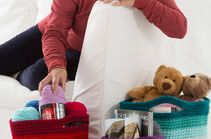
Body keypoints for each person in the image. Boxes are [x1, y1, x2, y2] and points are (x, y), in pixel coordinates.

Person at [0, 0, 187, 94]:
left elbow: (180, 28)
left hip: (82, 51)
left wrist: (139, 2)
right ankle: (45, 59)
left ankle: (18, 72)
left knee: (36, 77)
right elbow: (55, 31)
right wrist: (57, 64)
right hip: (53, 31)